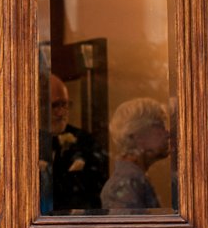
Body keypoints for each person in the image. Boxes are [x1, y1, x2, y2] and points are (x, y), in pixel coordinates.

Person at [39, 73, 109, 214]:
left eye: (65, 104)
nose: (62, 113)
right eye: (55, 106)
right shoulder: (21, 142)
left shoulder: (84, 141)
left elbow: (98, 191)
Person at [101, 97, 173, 212]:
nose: (168, 133)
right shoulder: (125, 184)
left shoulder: (133, 180)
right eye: (160, 126)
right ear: (137, 135)